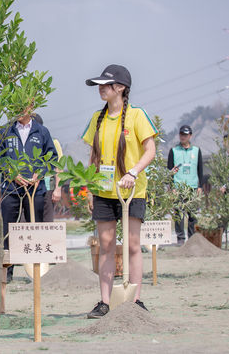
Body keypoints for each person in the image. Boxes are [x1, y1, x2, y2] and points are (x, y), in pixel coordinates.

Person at [81, 64, 157, 318]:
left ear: (121, 88)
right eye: (99, 85)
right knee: (105, 245)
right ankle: (104, 302)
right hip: (104, 190)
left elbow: (150, 150)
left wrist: (132, 172)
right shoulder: (97, 118)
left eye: (106, 84)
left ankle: (135, 300)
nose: (101, 89)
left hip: (133, 190)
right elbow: (92, 157)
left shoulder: (137, 115)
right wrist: (90, 189)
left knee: (133, 245)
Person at [0, 107, 58, 282]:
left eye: (24, 106)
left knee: (35, 228)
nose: (20, 110)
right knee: (7, 230)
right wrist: (12, 174)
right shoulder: (5, 131)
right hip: (10, 189)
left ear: (31, 108)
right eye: (16, 106)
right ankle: (7, 273)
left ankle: (36, 272)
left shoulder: (41, 131)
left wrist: (40, 173)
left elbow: (51, 158)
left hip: (35, 190)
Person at [167, 125, 203, 245]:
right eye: (182, 134)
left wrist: (200, 186)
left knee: (192, 214)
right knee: (179, 215)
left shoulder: (196, 150)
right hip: (178, 187)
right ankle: (180, 238)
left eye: (186, 135)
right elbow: (169, 171)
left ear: (190, 136)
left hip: (192, 186)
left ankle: (192, 238)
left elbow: (200, 169)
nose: (183, 137)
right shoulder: (173, 151)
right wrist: (171, 187)